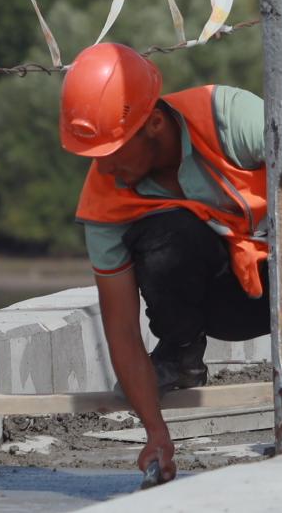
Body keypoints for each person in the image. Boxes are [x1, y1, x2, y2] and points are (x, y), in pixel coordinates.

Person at [61, 42, 268, 483]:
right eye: (93, 157)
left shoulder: (228, 116)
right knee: (164, 236)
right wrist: (155, 431)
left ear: (154, 123)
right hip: (228, 306)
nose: (104, 169)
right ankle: (181, 353)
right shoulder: (103, 202)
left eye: (112, 151)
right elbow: (120, 328)